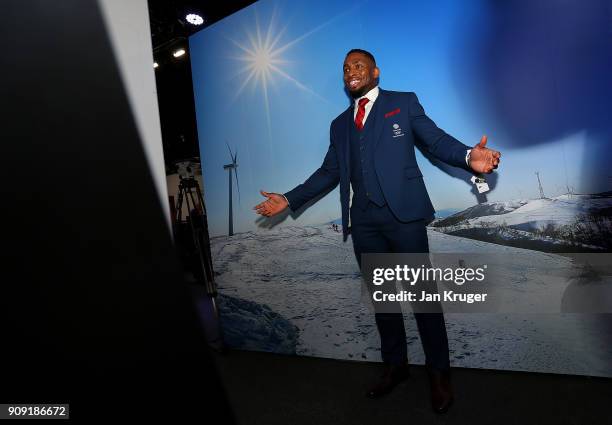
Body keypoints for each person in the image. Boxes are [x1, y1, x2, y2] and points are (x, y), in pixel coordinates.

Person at [253, 49, 501, 413]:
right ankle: (395, 367)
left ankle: (439, 374)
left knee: (423, 300)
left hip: (404, 218)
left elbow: (435, 140)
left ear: (375, 71)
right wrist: (289, 199)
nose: (351, 71)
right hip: (364, 222)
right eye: (345, 68)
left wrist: (468, 157)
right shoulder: (340, 125)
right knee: (384, 301)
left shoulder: (402, 103)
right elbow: (328, 172)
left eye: (358, 65)